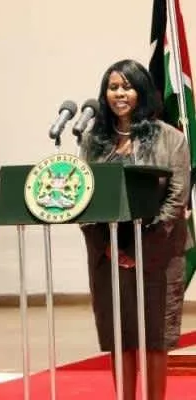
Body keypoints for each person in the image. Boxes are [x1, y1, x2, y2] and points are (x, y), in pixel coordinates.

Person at [79, 59, 190, 400]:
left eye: (126, 87)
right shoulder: (93, 141)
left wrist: (140, 249)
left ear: (141, 91)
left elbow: (176, 198)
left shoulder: (171, 138)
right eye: (113, 87)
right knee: (120, 336)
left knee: (155, 337)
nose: (119, 94)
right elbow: (81, 196)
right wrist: (110, 247)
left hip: (158, 252)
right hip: (109, 254)